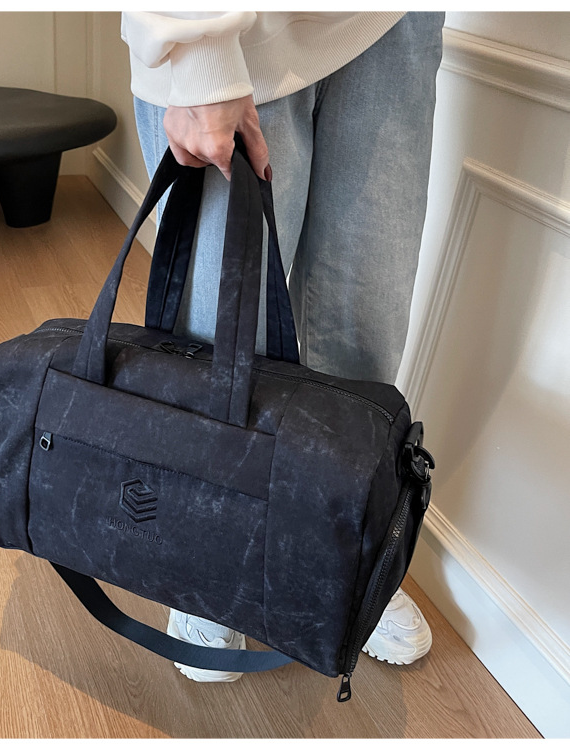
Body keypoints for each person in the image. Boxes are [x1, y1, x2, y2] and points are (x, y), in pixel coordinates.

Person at [122, 11, 444, 682]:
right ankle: (206, 560)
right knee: (218, 337)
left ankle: (333, 563)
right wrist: (197, 49)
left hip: (391, 25)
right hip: (242, 30)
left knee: (361, 335)